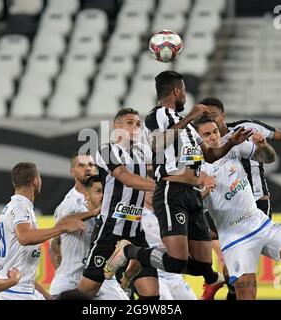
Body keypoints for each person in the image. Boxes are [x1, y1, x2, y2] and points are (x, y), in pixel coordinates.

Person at [103, 71, 252, 300]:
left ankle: (142, 255)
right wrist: (189, 117)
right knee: (176, 261)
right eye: (183, 91)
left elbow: (210, 156)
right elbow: (156, 145)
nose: (185, 96)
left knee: (203, 266)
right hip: (172, 192)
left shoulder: (190, 129)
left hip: (192, 194)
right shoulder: (158, 115)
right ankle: (127, 250)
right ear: (176, 91)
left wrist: (231, 143)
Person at [194, 116, 281, 300]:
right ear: (196, 139)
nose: (214, 137)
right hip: (236, 239)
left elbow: (268, 158)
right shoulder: (194, 168)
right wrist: (204, 191)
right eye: (207, 134)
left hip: (260, 223)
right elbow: (190, 207)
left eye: (214, 131)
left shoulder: (232, 145)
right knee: (247, 296)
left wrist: (263, 146)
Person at [77, 108, 160, 300]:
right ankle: (123, 276)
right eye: (130, 123)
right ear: (117, 127)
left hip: (136, 232)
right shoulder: (106, 150)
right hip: (110, 230)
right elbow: (126, 177)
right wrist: (161, 186)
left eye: (138, 124)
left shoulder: (142, 151)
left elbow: (164, 167)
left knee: (152, 294)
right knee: (86, 292)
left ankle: (126, 278)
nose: (135, 127)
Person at [0, 162, 85, 300]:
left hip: (19, 289)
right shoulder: (20, 207)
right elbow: (25, 237)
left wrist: (46, 296)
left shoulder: (15, 207)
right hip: (16, 294)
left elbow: (24, 274)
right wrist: (63, 228)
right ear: (35, 181)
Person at [49, 156, 128, 299]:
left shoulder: (107, 199)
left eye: (91, 164)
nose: (88, 168)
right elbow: (55, 241)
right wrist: (64, 270)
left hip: (99, 278)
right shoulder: (69, 204)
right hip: (73, 281)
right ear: (72, 171)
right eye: (82, 165)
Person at [136, 166, 197, 300]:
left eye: (155, 187)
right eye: (148, 188)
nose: (152, 192)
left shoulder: (170, 209)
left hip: (173, 272)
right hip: (154, 270)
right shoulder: (137, 215)